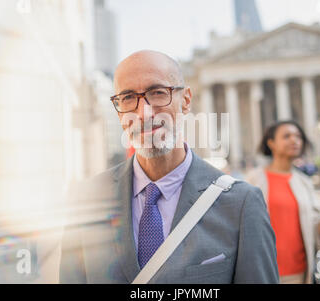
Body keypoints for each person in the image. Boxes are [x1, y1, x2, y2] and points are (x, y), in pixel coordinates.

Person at [59, 50, 279, 284]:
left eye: (157, 93)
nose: (144, 113)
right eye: (128, 98)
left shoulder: (242, 203)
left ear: (185, 101)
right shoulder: (84, 199)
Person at [247, 120, 320, 284]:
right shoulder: (254, 179)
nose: (295, 140)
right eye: (287, 136)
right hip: (263, 274)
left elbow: (314, 232)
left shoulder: (304, 182)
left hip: (300, 275)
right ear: (271, 143)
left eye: (298, 136)